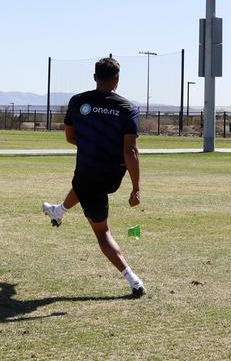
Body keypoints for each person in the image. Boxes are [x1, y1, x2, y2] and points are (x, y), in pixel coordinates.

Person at [42, 56, 145, 297]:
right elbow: (130, 150)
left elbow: (69, 137)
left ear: (95, 77)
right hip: (112, 175)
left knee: (102, 231)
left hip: (90, 173)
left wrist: (90, 145)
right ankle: (58, 211)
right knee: (82, 186)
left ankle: (134, 280)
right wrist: (136, 188)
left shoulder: (78, 101)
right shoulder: (127, 108)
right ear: (117, 80)